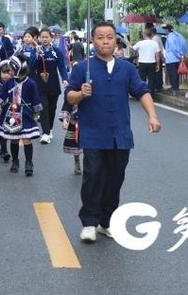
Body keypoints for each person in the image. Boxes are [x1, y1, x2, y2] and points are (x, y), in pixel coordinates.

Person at [65, 21, 161, 243]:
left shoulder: (127, 68)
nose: (105, 41)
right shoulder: (82, 68)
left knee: (115, 179)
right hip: (93, 134)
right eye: (100, 37)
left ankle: (106, 222)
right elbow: (69, 96)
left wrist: (153, 116)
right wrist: (81, 93)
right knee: (93, 177)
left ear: (116, 40)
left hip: (120, 135)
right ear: (93, 40)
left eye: (109, 37)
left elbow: (142, 91)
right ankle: (89, 222)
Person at [0, 55, 41, 176]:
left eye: (11, 70)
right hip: (11, 114)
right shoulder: (9, 82)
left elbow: (35, 99)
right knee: (14, 140)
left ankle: (29, 162)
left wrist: (37, 113)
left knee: (26, 139)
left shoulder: (31, 83)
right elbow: (1, 94)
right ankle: (15, 161)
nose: (9, 72)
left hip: (26, 114)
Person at [36, 27, 69, 144]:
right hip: (40, 85)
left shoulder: (56, 51)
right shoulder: (36, 51)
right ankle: (45, 133)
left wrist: (65, 79)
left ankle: (49, 129)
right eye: (42, 37)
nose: (44, 39)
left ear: (51, 38)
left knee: (52, 109)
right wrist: (36, 55)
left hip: (54, 85)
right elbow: (31, 65)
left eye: (46, 37)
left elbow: (62, 67)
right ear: (39, 38)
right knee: (43, 109)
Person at [133, 28, 161, 96]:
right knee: (151, 79)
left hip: (142, 63)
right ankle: (151, 95)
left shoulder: (140, 43)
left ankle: (142, 94)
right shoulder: (155, 43)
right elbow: (157, 55)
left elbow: (133, 48)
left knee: (142, 79)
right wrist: (158, 65)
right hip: (152, 63)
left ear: (144, 35)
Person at [163, 24, 188, 91]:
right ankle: (175, 87)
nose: (164, 30)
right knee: (174, 74)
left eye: (165, 29)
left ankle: (175, 88)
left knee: (173, 74)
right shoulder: (174, 36)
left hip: (171, 59)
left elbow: (173, 48)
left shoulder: (170, 37)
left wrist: (179, 55)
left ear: (167, 30)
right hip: (174, 59)